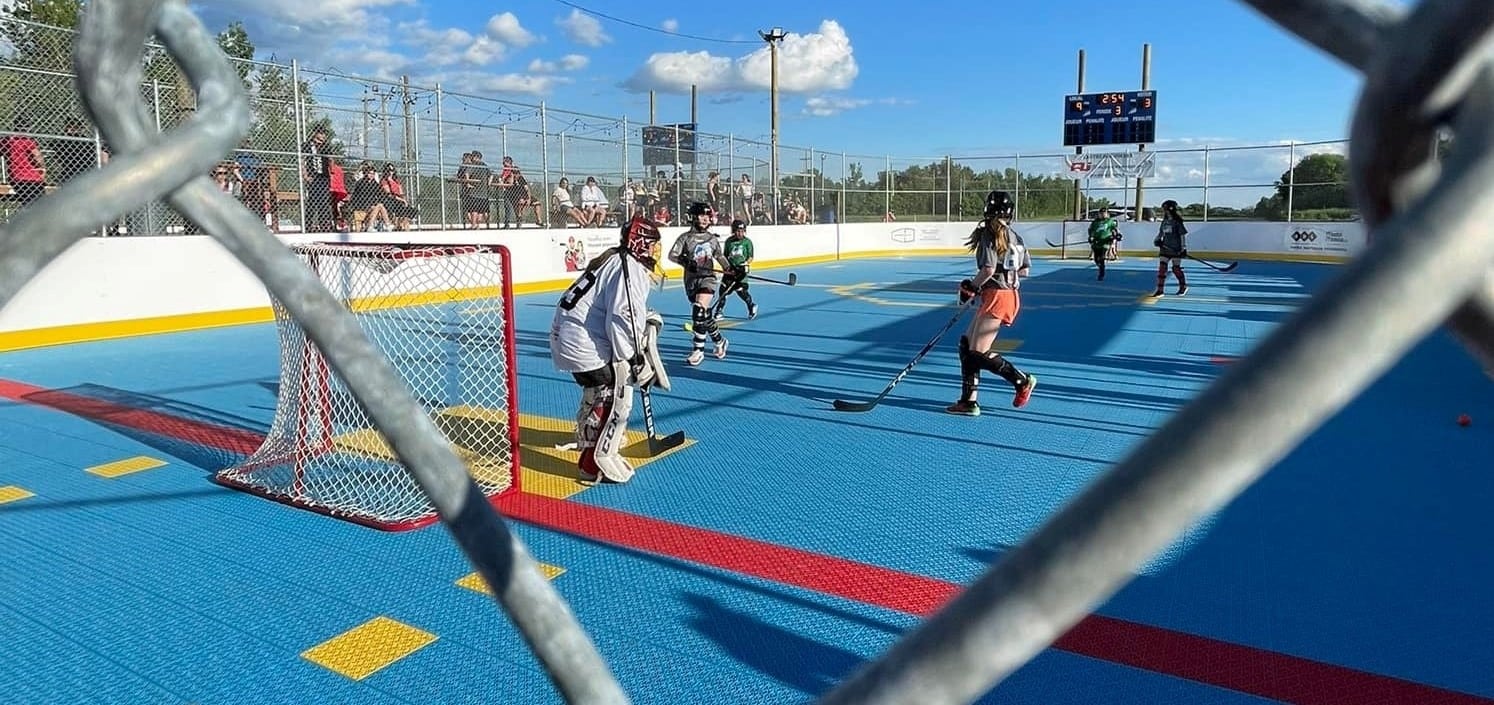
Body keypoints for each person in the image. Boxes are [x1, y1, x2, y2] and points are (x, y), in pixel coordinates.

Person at [549, 214, 670, 484]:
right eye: (651, 245)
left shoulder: (614, 258)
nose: (654, 251)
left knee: (596, 386)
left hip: (567, 335)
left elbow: (612, 307)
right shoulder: (630, 268)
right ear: (639, 243)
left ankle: (588, 435)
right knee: (618, 391)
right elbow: (622, 315)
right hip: (581, 341)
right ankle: (594, 462)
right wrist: (635, 358)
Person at [948, 190, 1037, 416]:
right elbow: (1025, 270)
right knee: (967, 345)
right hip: (1004, 295)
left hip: (998, 296)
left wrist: (972, 287)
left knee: (977, 351)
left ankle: (1021, 381)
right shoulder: (1016, 236)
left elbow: (988, 269)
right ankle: (968, 401)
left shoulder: (990, 233)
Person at [668, 201, 732, 365]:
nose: (705, 219)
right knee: (704, 315)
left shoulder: (712, 239)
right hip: (691, 281)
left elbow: (720, 257)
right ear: (693, 217)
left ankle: (698, 350)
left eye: (707, 216)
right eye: (701, 216)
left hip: (708, 279)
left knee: (698, 311)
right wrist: (685, 261)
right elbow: (672, 255)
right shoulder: (685, 238)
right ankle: (719, 341)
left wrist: (730, 269)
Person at [712, 219, 758, 319]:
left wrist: (744, 265)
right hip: (730, 270)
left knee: (740, 291)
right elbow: (725, 256)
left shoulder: (747, 242)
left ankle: (751, 306)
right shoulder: (729, 241)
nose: (740, 233)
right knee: (723, 291)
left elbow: (750, 257)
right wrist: (727, 267)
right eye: (737, 231)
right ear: (733, 231)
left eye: (742, 231)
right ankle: (719, 311)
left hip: (741, 271)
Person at [1153, 199, 1190, 297]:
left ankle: (1183, 286)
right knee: (1162, 268)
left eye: (1165, 209)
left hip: (1175, 249)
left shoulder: (1177, 222)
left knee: (1176, 269)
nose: (1164, 211)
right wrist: (1157, 240)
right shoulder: (1164, 222)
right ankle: (1160, 290)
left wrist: (1183, 248)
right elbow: (1161, 233)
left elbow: (1182, 235)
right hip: (1165, 248)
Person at [1086, 206, 1123, 281]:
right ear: (1099, 214)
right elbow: (1090, 231)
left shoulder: (1110, 221)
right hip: (1096, 242)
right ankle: (1100, 267)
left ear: (1107, 214)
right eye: (1101, 213)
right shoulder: (1095, 222)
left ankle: (1101, 274)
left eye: (1104, 213)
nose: (1103, 214)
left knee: (1102, 258)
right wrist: (1091, 238)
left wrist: (1117, 235)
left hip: (1105, 242)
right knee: (1096, 259)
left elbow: (1115, 229)